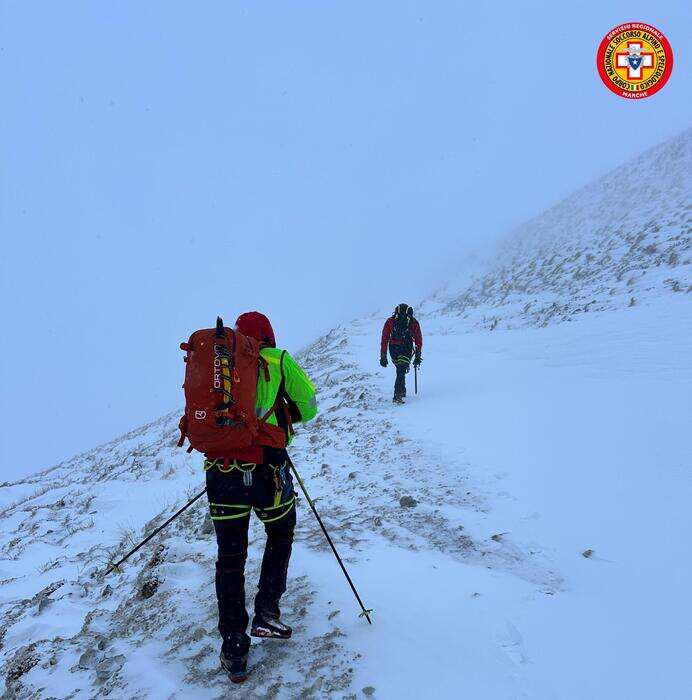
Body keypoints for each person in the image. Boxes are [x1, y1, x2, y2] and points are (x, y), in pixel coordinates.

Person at [205, 311, 317, 683]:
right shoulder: (278, 359)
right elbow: (309, 406)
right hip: (268, 470)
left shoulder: (220, 366)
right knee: (280, 534)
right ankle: (266, 610)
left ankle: (234, 650)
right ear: (268, 335)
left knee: (230, 557)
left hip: (222, 472)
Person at [380, 304, 423, 403]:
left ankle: (401, 391)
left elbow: (385, 338)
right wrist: (418, 355)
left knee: (400, 369)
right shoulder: (413, 322)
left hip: (393, 348)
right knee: (401, 369)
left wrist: (383, 355)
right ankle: (397, 396)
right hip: (406, 348)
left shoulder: (390, 321)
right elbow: (418, 340)